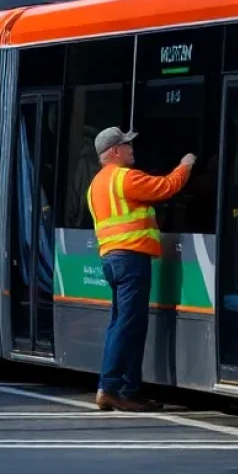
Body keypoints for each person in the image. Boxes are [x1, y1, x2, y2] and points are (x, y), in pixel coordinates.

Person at [88, 126, 195, 412]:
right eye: (126, 145)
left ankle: (128, 390)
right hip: (131, 259)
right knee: (128, 325)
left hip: (112, 260)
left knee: (125, 324)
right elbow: (166, 187)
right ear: (114, 152)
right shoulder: (125, 178)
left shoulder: (96, 184)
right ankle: (110, 387)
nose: (131, 149)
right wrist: (185, 166)